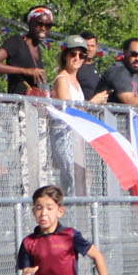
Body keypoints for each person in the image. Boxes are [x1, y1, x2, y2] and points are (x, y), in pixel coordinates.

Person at [50, 36, 91, 194]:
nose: (77, 58)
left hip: (76, 135)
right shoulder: (62, 79)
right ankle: (68, 213)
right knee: (70, 176)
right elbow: (68, 111)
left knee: (80, 177)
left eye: (81, 55)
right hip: (64, 133)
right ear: (65, 55)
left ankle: (80, 214)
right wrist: (92, 102)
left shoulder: (76, 81)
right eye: (73, 54)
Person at [0, 6, 53, 94]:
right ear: (30, 23)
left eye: (48, 25)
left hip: (31, 105)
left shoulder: (38, 50)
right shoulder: (17, 42)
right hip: (16, 104)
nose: (43, 28)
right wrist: (24, 71)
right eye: (39, 24)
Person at [75, 31, 108, 103]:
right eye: (87, 45)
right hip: (82, 109)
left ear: (96, 47)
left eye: (92, 46)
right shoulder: (75, 68)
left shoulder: (99, 68)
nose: (89, 49)